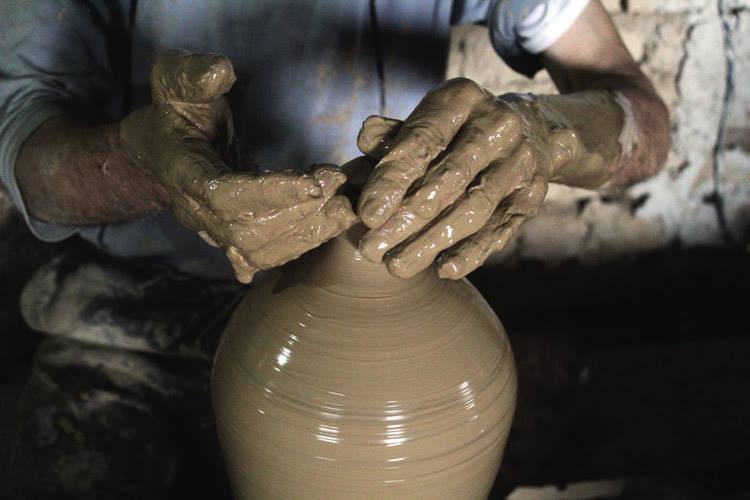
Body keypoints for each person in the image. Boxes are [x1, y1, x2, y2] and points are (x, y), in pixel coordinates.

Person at [0, 0, 668, 497]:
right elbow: (27, 149)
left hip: (396, 321)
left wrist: (545, 130)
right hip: (134, 314)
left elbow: (637, 108)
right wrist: (149, 165)